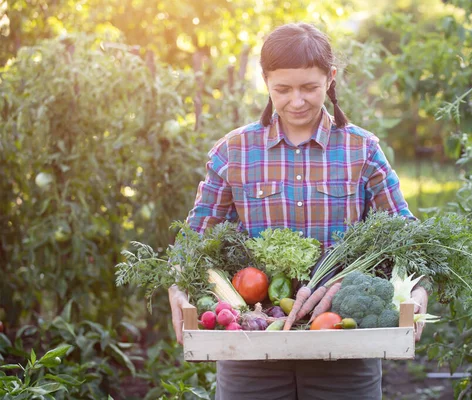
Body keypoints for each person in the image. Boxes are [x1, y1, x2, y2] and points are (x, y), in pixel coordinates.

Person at [168, 22, 428, 400]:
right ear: (265, 82)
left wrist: (417, 291)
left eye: (310, 87)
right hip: (251, 346)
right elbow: (194, 238)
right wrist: (178, 284)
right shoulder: (234, 152)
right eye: (282, 89)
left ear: (331, 77)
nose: (297, 101)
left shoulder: (362, 151)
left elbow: (407, 234)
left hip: (344, 344)